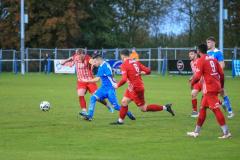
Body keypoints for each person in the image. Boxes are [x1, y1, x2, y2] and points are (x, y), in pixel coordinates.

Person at [111, 49, 175, 125]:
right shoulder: (135, 62)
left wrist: (117, 85)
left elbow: (124, 79)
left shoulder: (124, 64)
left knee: (143, 108)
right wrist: (141, 72)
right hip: (132, 87)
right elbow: (148, 71)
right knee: (124, 102)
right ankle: (120, 121)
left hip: (136, 89)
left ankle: (166, 107)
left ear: (122, 56)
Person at [187, 44, 231, 139]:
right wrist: (222, 86)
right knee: (202, 108)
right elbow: (222, 74)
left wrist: (192, 84)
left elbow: (198, 76)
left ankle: (226, 132)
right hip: (216, 85)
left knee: (216, 109)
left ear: (198, 51)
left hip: (209, 88)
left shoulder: (201, 60)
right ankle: (196, 132)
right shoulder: (213, 59)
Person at [80, 53, 136, 121]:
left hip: (110, 89)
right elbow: (105, 76)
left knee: (116, 107)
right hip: (103, 89)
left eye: (95, 62)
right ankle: (90, 116)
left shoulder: (105, 66)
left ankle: (129, 113)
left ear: (99, 60)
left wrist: (86, 80)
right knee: (93, 98)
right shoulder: (101, 66)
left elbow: (98, 79)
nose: (94, 64)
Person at [61, 49, 113, 116]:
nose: (79, 57)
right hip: (81, 81)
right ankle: (84, 111)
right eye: (77, 55)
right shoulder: (75, 57)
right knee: (80, 94)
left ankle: (107, 105)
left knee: (98, 98)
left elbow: (91, 61)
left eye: (80, 55)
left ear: (83, 54)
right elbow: (71, 58)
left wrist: (94, 63)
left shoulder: (87, 58)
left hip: (90, 81)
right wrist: (65, 61)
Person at [206, 36, 234, 118]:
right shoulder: (207, 52)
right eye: (207, 42)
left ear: (214, 43)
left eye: (209, 42)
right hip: (209, 78)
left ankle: (230, 111)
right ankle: (203, 110)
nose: (208, 44)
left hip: (217, 78)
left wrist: (215, 72)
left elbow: (222, 65)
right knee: (207, 93)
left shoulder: (218, 52)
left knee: (223, 93)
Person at [189, 50, 201, 117]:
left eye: (191, 54)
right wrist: (192, 77)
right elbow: (195, 72)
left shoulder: (200, 61)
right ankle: (195, 111)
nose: (190, 55)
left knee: (209, 98)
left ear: (196, 54)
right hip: (197, 81)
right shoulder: (191, 63)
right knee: (193, 93)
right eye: (189, 54)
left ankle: (220, 103)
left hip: (204, 81)